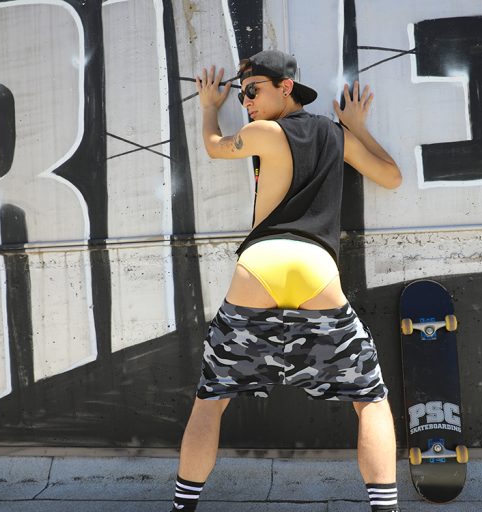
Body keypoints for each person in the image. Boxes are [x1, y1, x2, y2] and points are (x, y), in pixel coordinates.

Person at [170, 50, 402, 512]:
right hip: (317, 270)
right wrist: (357, 127)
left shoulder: (264, 133)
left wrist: (209, 107)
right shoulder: (337, 136)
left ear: (286, 87)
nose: (247, 103)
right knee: (370, 400)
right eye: (242, 95)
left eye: (253, 91)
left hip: (261, 265)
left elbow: (214, 146)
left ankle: (182, 508)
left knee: (211, 398)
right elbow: (391, 177)